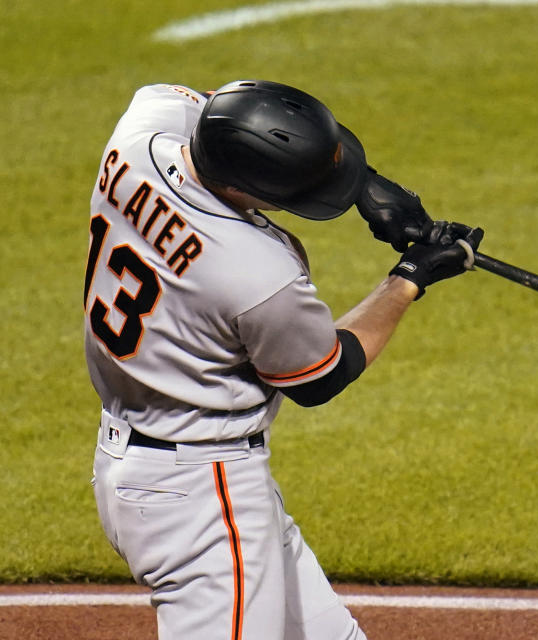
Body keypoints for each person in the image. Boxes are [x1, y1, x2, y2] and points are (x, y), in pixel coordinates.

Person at [84, 79, 482, 640]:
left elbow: (206, 109)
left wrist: (366, 187)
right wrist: (411, 277)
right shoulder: (256, 272)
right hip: (200, 495)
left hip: (151, 453)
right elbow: (322, 376)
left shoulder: (138, 137)